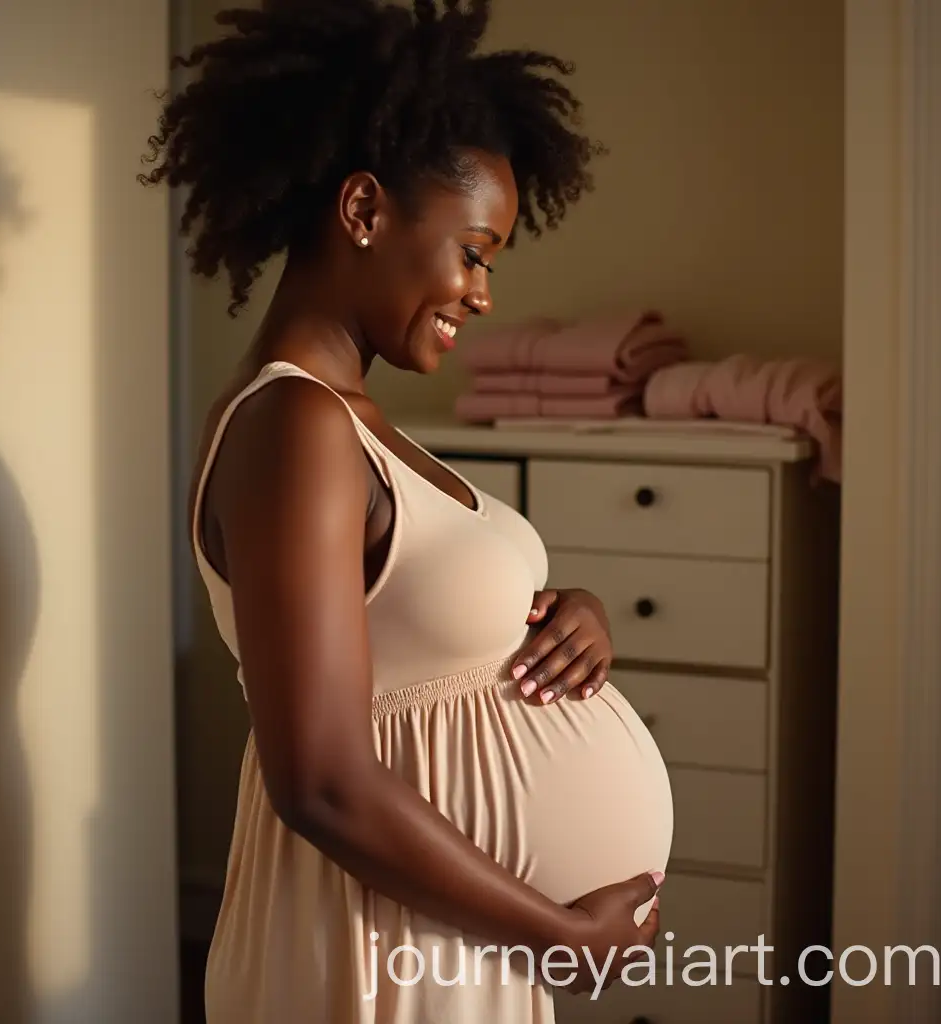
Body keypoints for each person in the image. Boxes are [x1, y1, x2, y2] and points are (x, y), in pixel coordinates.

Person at [140, 1, 673, 1021]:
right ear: (362, 210)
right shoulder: (294, 421)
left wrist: (572, 611)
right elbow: (322, 779)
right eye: (473, 251)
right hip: (378, 954)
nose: (482, 293)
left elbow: (414, 625)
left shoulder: (357, 421)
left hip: (451, 934)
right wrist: (561, 936)